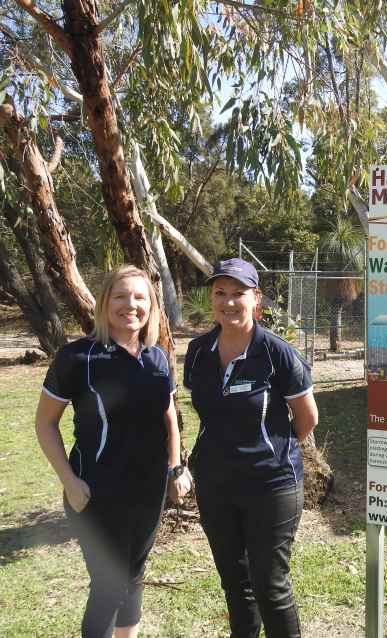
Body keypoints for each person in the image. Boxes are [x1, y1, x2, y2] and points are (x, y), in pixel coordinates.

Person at [34, 265, 192, 638]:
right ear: (105, 303)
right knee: (108, 584)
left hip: (148, 491)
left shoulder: (157, 357)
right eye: (121, 296)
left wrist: (174, 469)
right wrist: (69, 481)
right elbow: (45, 424)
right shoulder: (77, 358)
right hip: (95, 493)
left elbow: (169, 419)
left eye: (140, 297)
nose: (130, 305)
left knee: (134, 575)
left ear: (151, 306)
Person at [184, 258, 318, 638]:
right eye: (220, 293)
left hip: (271, 486)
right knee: (234, 583)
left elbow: (306, 420)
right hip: (216, 485)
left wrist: (270, 452)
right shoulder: (197, 351)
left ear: (255, 297)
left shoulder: (278, 354)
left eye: (238, 293)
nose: (228, 302)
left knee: (269, 586)